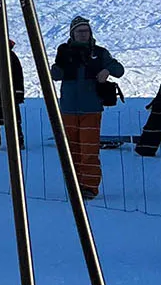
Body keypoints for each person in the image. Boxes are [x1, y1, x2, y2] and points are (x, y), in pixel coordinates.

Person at [52, 16, 124, 199]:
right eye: (79, 31)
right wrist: (60, 63)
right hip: (68, 107)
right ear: (72, 34)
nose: (83, 34)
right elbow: (54, 74)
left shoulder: (99, 53)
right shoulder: (65, 52)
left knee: (89, 150)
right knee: (71, 150)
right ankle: (74, 185)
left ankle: (89, 187)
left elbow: (119, 69)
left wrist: (107, 70)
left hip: (91, 108)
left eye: (86, 31)